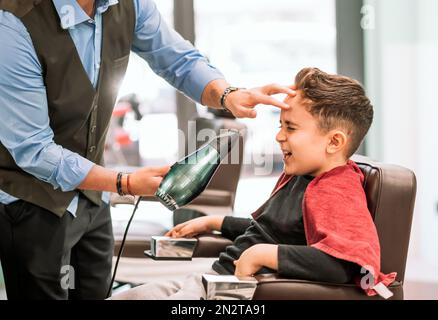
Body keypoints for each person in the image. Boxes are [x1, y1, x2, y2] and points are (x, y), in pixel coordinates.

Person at [0, 0, 295, 300]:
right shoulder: (12, 23)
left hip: (90, 198)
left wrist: (228, 95)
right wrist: (124, 183)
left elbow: (178, 59)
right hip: (32, 202)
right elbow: (33, 149)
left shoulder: (129, 4)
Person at [110, 67, 397, 300]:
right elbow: (270, 230)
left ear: (334, 141)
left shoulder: (335, 189)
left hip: (229, 292)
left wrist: (263, 254)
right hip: (211, 281)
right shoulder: (303, 178)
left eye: (291, 128)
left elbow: (340, 264)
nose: (279, 136)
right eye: (280, 125)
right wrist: (216, 222)